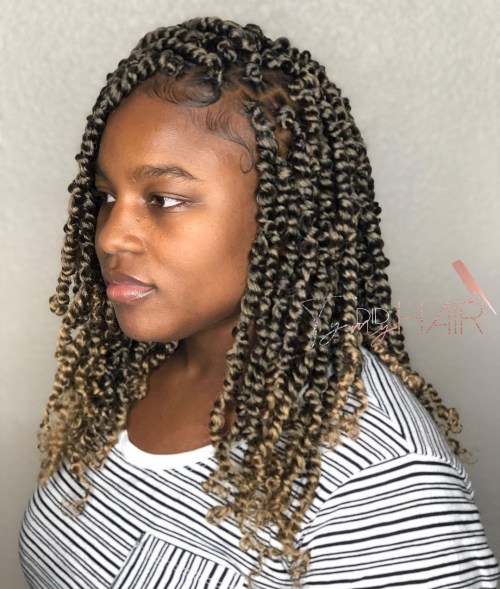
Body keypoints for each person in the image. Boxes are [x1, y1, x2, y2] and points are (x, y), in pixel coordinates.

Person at [18, 15, 499, 589]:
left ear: (283, 221)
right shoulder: (134, 371)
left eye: (164, 199)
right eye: (106, 196)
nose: (110, 236)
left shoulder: (382, 483)